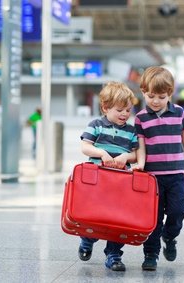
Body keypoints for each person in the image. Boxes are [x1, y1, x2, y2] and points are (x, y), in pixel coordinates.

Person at [134, 66, 184, 271]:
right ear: (143, 92)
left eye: (161, 96)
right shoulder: (140, 118)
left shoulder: (178, 112)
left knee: (178, 210)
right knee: (153, 217)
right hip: (152, 177)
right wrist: (140, 165)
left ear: (170, 93)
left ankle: (169, 237)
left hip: (176, 174)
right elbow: (141, 144)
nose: (155, 101)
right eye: (150, 96)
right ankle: (150, 254)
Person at [78, 81, 140, 272]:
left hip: (121, 184)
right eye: (119, 110)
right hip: (98, 182)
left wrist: (125, 157)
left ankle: (113, 254)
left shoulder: (130, 131)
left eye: (128, 110)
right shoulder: (96, 125)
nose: (124, 114)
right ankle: (87, 239)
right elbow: (85, 146)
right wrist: (102, 153)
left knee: (118, 219)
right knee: (95, 215)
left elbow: (136, 154)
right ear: (105, 108)